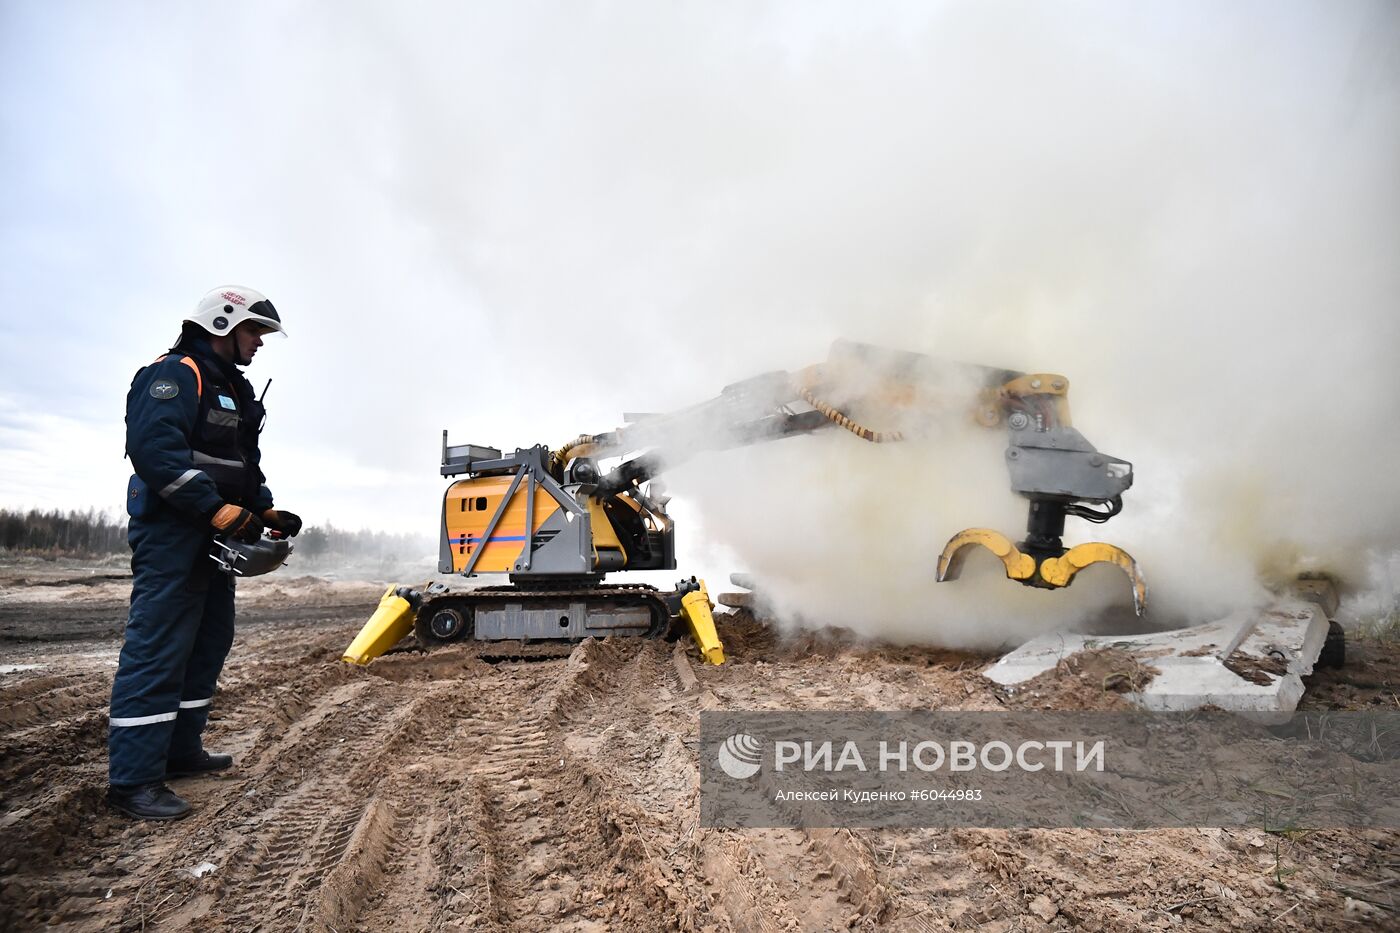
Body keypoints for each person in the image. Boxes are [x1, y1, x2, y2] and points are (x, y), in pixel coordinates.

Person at [108, 286, 301, 821]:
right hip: (174, 532)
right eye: (254, 331)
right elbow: (155, 452)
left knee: (208, 642)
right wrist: (211, 508)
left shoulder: (232, 388)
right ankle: (133, 780)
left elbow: (240, 466)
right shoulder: (174, 375)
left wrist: (262, 511)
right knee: (159, 646)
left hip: (216, 536)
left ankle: (179, 751)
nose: (259, 343)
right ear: (223, 323)